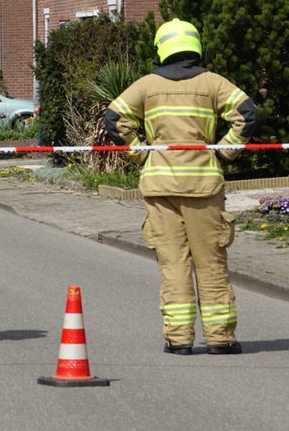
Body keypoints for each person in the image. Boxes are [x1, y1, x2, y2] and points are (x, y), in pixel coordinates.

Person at [104, 18, 258, 356]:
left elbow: (114, 118)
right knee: (210, 263)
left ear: (161, 48)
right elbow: (246, 113)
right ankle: (219, 339)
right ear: (195, 45)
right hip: (203, 185)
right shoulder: (213, 82)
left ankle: (179, 339)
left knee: (173, 265)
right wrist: (223, 152)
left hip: (160, 188)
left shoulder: (146, 86)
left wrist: (140, 156)